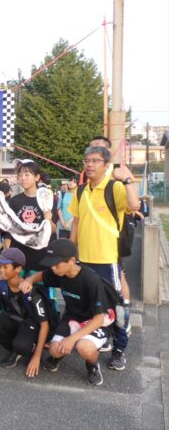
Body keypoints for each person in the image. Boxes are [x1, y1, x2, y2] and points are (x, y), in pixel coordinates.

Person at [69, 145, 139, 371]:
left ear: (106, 165)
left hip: (108, 260)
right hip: (84, 260)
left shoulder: (115, 187)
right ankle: (98, 340)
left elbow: (134, 205)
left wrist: (127, 180)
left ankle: (120, 348)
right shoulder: (81, 191)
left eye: (95, 161)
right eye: (87, 160)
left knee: (118, 306)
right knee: (91, 305)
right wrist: (71, 252)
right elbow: (76, 223)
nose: (90, 164)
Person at [19, 239, 115, 386]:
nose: (53, 268)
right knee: (54, 350)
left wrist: (72, 339)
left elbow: (99, 319)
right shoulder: (58, 272)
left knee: (84, 347)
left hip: (96, 321)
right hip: (72, 318)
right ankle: (59, 355)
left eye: (56, 264)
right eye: (51, 264)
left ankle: (92, 366)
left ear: (71, 261)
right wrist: (29, 280)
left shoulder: (91, 280)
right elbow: (41, 275)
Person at [0, 248, 50, 378]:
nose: (1, 270)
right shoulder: (1, 286)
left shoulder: (31, 291)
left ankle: (29, 348)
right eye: (0, 266)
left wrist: (37, 356)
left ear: (18, 269)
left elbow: (45, 325)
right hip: (14, 320)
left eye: (5, 267)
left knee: (21, 346)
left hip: (31, 325)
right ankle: (16, 349)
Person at [5, 160, 56, 274]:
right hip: (19, 254)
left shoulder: (47, 199)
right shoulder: (14, 200)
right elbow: (9, 227)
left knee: (38, 283)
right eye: (20, 175)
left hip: (40, 254)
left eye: (27, 175)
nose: (23, 178)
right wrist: (7, 243)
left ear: (37, 177)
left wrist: (48, 219)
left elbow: (54, 230)